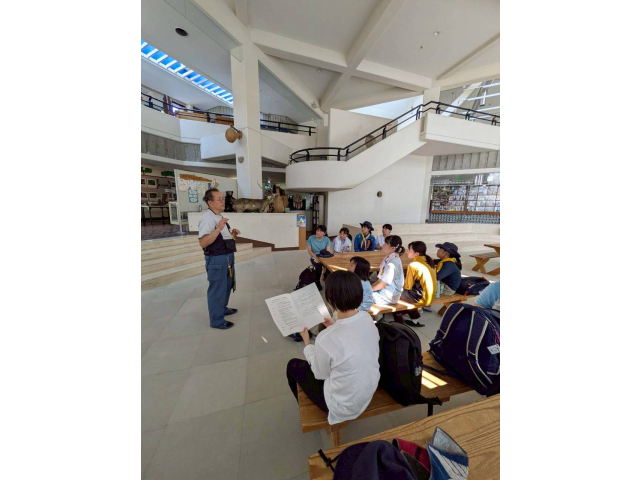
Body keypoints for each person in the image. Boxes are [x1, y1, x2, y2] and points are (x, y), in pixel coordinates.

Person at [286, 271, 380, 425]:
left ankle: (308, 409)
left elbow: (319, 374)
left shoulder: (326, 338)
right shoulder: (367, 318)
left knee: (292, 366)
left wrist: (307, 344)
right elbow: (350, 338)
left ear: (330, 300)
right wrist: (335, 325)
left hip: (343, 407)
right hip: (367, 393)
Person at [198, 188, 242, 330]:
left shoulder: (218, 216)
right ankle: (216, 320)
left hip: (226, 256)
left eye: (223, 198)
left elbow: (220, 238)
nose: (223, 201)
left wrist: (232, 234)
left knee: (227, 285)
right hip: (217, 259)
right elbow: (203, 242)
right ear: (210, 202)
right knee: (217, 289)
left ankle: (222, 308)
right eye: (219, 199)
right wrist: (218, 229)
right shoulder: (207, 218)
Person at [394, 241, 437, 325]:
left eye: (409, 250)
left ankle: (399, 322)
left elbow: (407, 286)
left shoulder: (413, 265)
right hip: (431, 296)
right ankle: (415, 318)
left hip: (420, 298)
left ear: (416, 254)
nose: (407, 252)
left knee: (393, 294)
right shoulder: (429, 261)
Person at [371, 235, 405, 306]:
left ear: (392, 248)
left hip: (389, 296)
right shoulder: (390, 257)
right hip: (387, 292)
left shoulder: (391, 264)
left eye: (386, 243)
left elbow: (384, 283)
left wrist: (369, 290)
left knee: (360, 297)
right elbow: (380, 281)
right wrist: (370, 288)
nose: (383, 245)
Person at [307, 225, 331, 291]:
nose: (318, 232)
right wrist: (317, 258)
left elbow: (328, 251)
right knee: (318, 268)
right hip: (314, 256)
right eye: (317, 230)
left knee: (329, 267)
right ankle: (317, 281)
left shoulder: (327, 239)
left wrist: (322, 259)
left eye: (321, 231)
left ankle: (327, 280)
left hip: (324, 256)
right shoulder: (311, 238)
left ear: (324, 233)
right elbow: (309, 251)